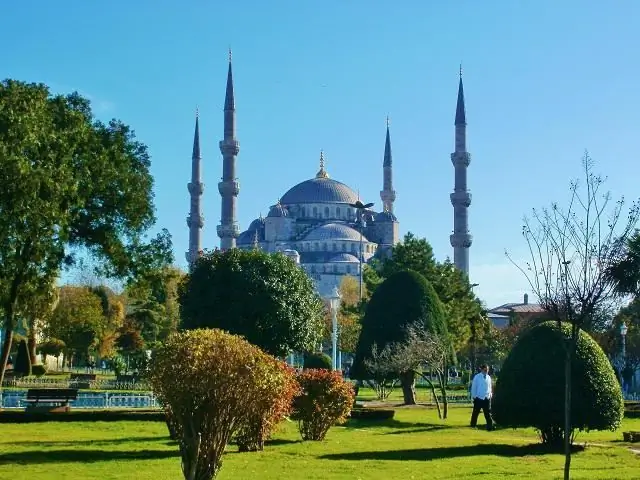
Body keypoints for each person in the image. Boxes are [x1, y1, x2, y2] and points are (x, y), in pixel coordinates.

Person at [470, 364, 494, 430]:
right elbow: (474, 387)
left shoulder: (488, 377)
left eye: (487, 370)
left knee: (488, 413)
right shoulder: (477, 377)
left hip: (487, 398)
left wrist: (490, 394)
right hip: (479, 398)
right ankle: (473, 425)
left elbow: (490, 387)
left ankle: (490, 426)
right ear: (482, 369)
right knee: (475, 413)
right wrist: (474, 396)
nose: (486, 371)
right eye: (485, 369)